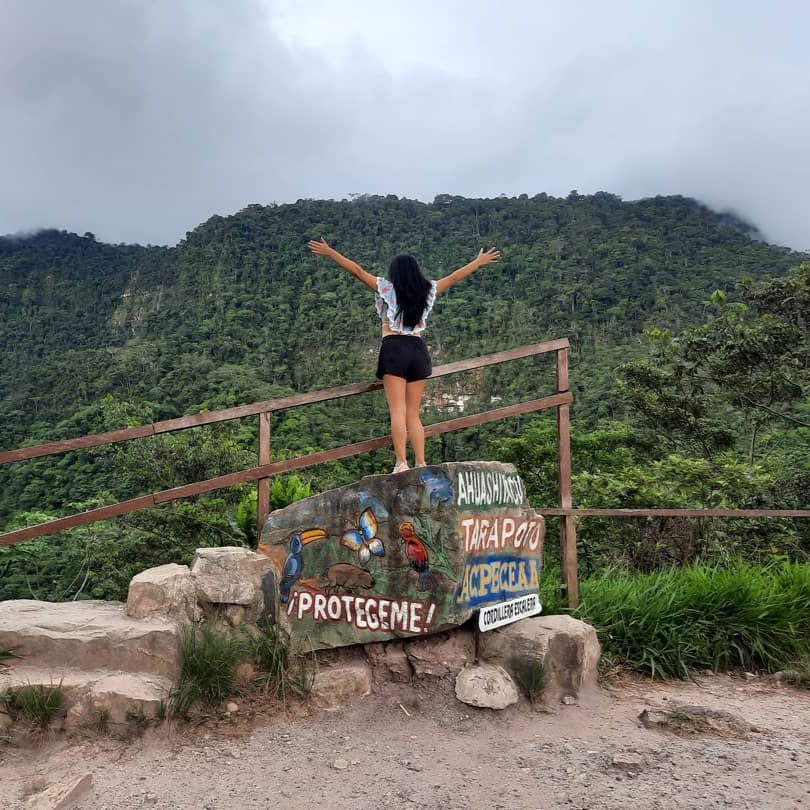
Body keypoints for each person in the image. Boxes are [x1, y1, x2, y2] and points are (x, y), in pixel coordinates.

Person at [307, 237, 501, 474]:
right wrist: (478, 261)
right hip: (418, 351)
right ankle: (420, 462)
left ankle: (401, 463)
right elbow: (454, 277)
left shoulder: (386, 287)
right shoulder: (429, 289)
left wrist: (330, 252)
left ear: (394, 273)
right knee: (413, 414)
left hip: (394, 348)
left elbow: (356, 271)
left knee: (397, 412)